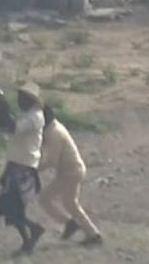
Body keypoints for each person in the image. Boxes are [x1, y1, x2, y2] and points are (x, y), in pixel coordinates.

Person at [37, 105, 103, 246]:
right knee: (71, 204)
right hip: (71, 170)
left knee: (45, 198)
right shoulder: (54, 128)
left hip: (69, 172)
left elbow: (52, 160)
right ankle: (92, 234)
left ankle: (71, 224)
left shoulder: (53, 133)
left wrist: (36, 168)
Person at [0, 82, 47, 255]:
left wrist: (2, 108)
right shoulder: (27, 115)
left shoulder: (35, 117)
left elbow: (12, 127)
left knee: (12, 206)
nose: (19, 101)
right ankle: (32, 234)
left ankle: (30, 237)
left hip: (24, 168)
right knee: (9, 207)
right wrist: (0, 109)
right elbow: (8, 127)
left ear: (30, 100)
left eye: (22, 98)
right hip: (17, 165)